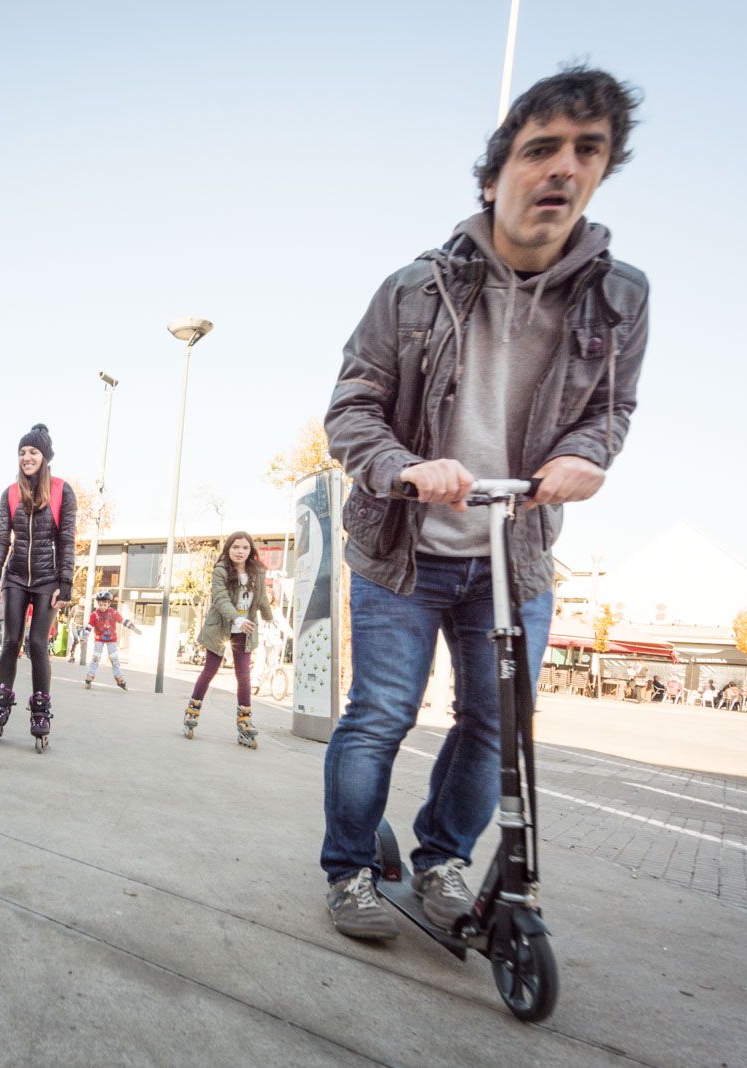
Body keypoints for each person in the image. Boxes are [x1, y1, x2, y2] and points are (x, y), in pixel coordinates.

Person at [317, 67, 649, 940]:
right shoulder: (413, 289)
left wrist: (586, 455)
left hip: (515, 553)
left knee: (497, 725)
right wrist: (405, 467)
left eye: (587, 152)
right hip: (403, 549)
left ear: (602, 172)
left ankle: (442, 860)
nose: (563, 168)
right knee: (381, 714)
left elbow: (611, 411)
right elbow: (351, 409)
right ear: (495, 175)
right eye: (542, 150)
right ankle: (349, 869)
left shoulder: (621, 299)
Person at [0, 424, 77, 747]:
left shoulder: (62, 491)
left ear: (45, 457)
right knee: (11, 641)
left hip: (48, 578)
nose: (27, 457)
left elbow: (66, 539)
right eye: (22, 452)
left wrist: (66, 582)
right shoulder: (10, 493)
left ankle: (40, 711)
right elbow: (1, 540)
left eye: (33, 452)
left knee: (37, 643)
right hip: (15, 577)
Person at [182, 532, 274, 747]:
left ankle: (244, 721)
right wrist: (237, 619)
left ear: (250, 550)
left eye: (245, 547)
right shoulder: (220, 570)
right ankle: (192, 711)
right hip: (221, 628)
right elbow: (220, 599)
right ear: (228, 549)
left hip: (244, 631)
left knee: (244, 675)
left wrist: (270, 618)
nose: (240, 551)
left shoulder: (258, 571)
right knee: (210, 670)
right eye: (235, 547)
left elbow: (261, 597)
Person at [83, 592, 141, 692]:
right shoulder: (94, 614)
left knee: (114, 659)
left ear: (109, 604)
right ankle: (90, 677)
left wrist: (133, 628)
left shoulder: (113, 613)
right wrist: (84, 637)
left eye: (104, 605)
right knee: (96, 657)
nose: (102, 607)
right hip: (99, 639)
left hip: (111, 639)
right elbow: (89, 626)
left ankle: (119, 679)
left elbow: (122, 620)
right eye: (100, 604)